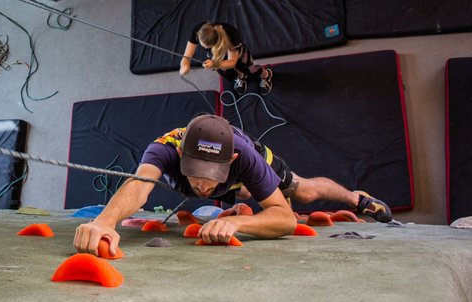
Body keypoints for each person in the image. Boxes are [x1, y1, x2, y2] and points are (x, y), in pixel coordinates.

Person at [73, 114, 393, 256]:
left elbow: (283, 219)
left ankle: (356, 198)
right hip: (233, 178)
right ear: (180, 153)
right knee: (243, 194)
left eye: (212, 174)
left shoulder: (246, 158)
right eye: (195, 171)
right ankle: (242, 195)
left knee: (303, 191)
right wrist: (104, 221)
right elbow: (139, 186)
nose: (202, 185)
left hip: (248, 169)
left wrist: (240, 222)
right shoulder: (163, 148)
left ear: (231, 160)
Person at [179, 22, 273, 95]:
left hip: (238, 56)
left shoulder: (231, 36)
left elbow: (232, 62)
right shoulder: (200, 30)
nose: (205, 48)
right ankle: (241, 77)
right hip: (218, 56)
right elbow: (187, 55)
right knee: (230, 72)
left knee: (250, 70)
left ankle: (266, 75)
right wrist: (184, 65)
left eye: (207, 47)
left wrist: (215, 64)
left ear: (215, 43)